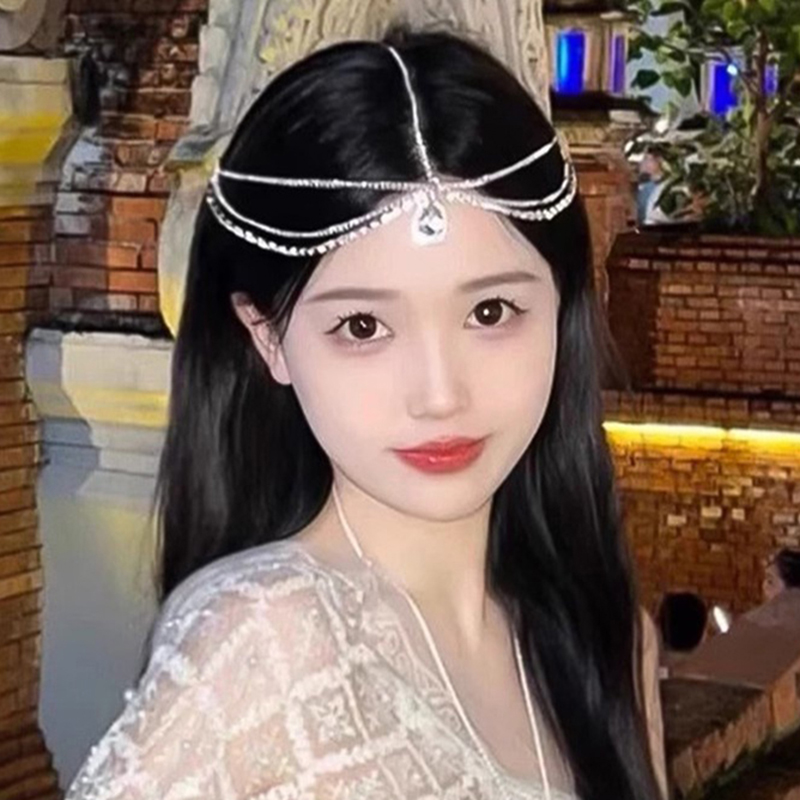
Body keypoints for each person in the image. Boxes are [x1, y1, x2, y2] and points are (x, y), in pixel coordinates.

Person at [65, 23, 667, 800]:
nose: (441, 394)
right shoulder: (264, 639)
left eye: (490, 312)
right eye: (362, 327)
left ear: (563, 307)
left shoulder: (608, 640)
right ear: (269, 339)